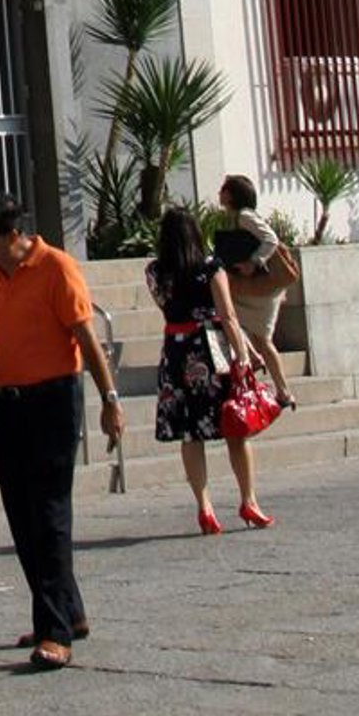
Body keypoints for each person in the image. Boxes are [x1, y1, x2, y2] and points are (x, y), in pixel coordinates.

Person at [0, 192, 123, 670]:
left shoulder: (57, 268)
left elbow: (86, 335)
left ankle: (54, 631)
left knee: (49, 512)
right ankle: (68, 610)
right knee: (21, 513)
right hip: (8, 401)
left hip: (54, 397)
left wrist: (110, 399)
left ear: (13, 235)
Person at [146, 202, 272, 533]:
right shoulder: (210, 266)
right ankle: (248, 500)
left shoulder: (155, 271)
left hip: (176, 350)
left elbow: (166, 307)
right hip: (210, 350)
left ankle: (204, 507)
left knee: (190, 432)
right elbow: (227, 315)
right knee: (235, 426)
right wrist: (243, 354)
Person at [213, 174, 299, 410]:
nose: (220, 193)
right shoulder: (238, 217)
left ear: (232, 195)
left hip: (260, 290)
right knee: (252, 333)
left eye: (224, 189)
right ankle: (281, 389)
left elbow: (271, 239)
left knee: (232, 320)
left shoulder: (244, 216)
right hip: (257, 290)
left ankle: (267, 373)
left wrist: (254, 261)